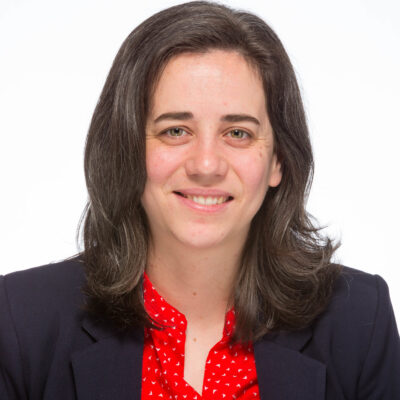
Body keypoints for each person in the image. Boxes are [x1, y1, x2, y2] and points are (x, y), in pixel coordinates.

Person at [1, 1, 399, 399]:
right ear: (127, 150)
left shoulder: (358, 321)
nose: (206, 164)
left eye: (238, 133)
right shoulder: (21, 321)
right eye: (175, 130)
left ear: (278, 159)